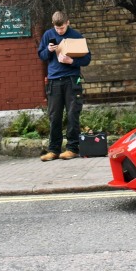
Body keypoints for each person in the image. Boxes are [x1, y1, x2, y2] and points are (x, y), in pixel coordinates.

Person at [37, 11, 92, 161]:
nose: (59, 31)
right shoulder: (48, 35)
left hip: (72, 80)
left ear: (67, 22)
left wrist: (71, 62)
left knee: (72, 114)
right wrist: (48, 50)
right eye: (57, 28)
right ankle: (53, 150)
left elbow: (87, 59)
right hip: (54, 81)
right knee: (54, 116)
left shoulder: (76, 36)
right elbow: (40, 55)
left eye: (62, 28)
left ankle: (72, 149)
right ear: (53, 25)